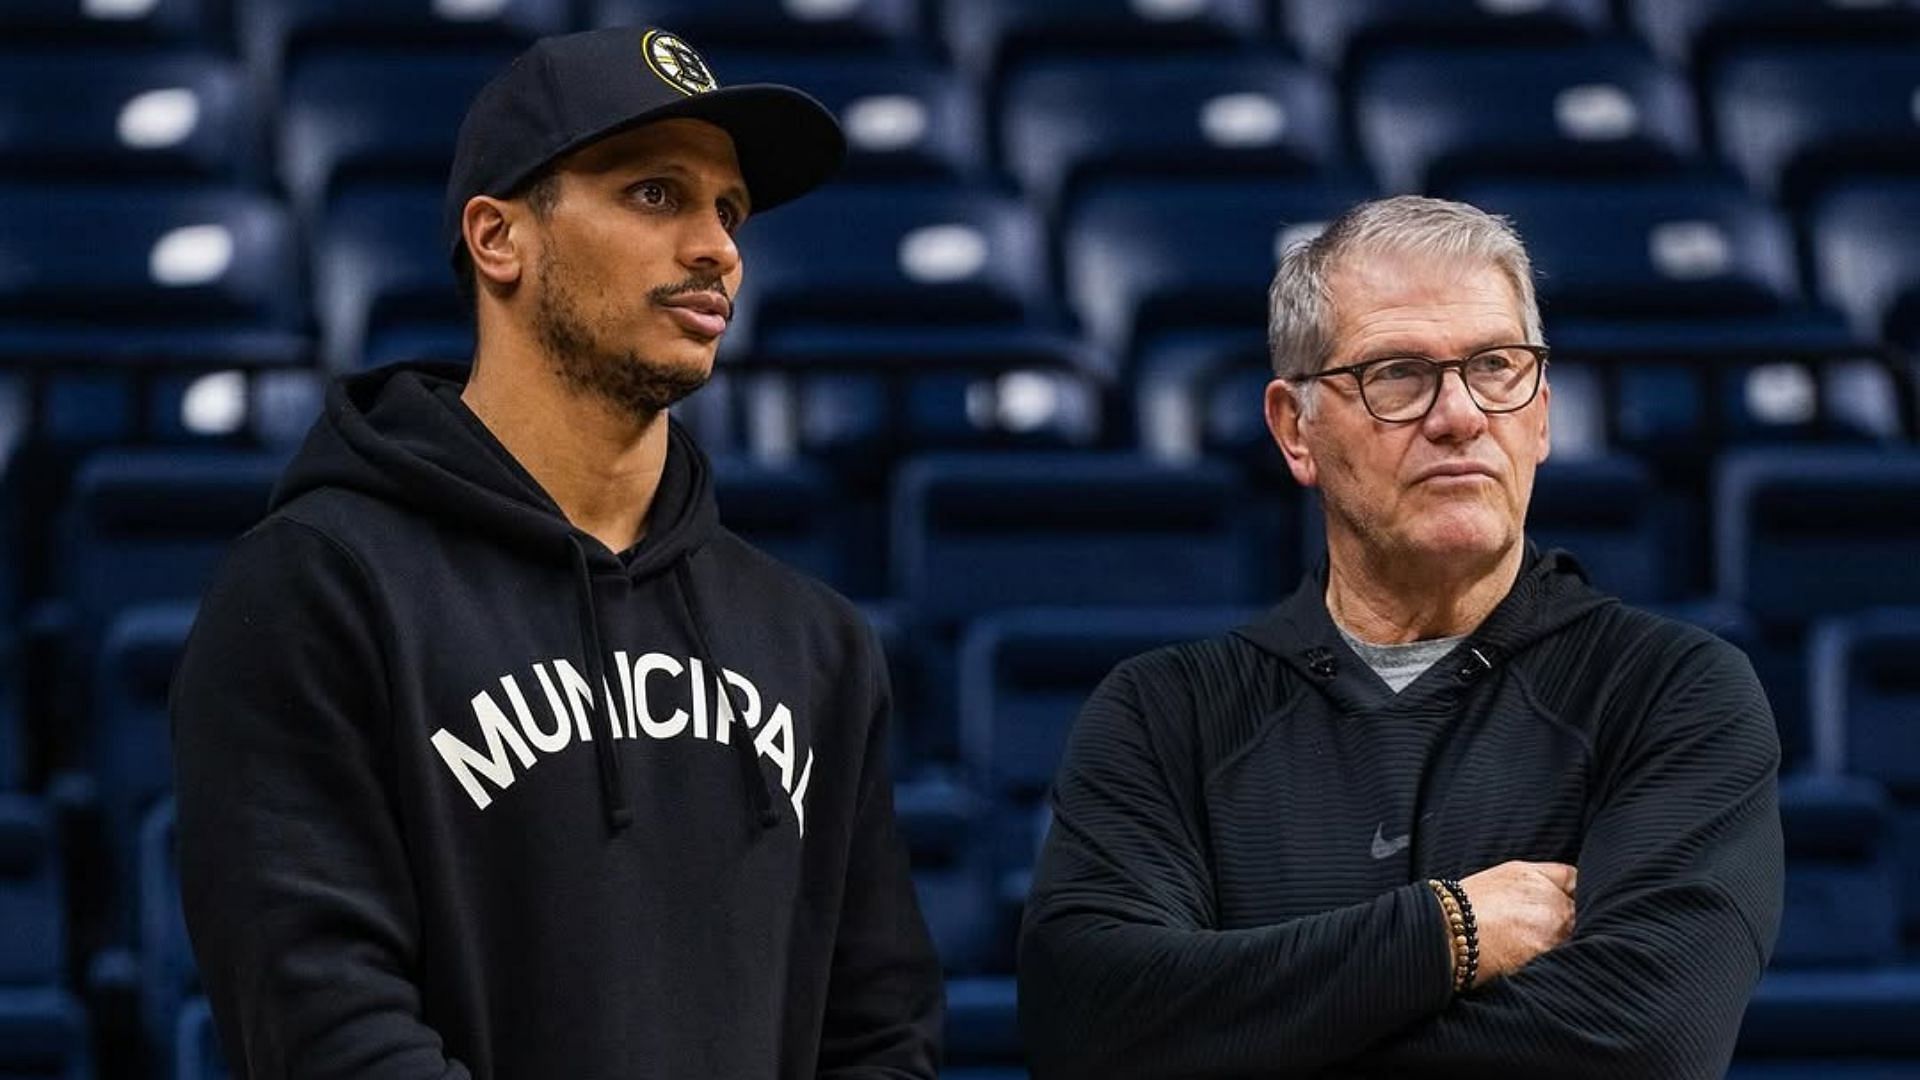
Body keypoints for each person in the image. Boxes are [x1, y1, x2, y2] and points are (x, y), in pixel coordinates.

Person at [171, 26, 942, 1078]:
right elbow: (329, 1030)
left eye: (729, 210)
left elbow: (881, 1039)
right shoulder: (315, 589)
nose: (717, 247)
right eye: (656, 195)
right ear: (499, 238)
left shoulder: (815, 642)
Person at [1017, 195, 1782, 1079]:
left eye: (1497, 366)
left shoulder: (1672, 693)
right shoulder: (1165, 716)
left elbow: (1645, 1048)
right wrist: (1448, 934)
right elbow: (1087, 1031)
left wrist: (1245, 1031)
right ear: (1294, 430)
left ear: (1541, 419)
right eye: (1397, 375)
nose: (1459, 414)